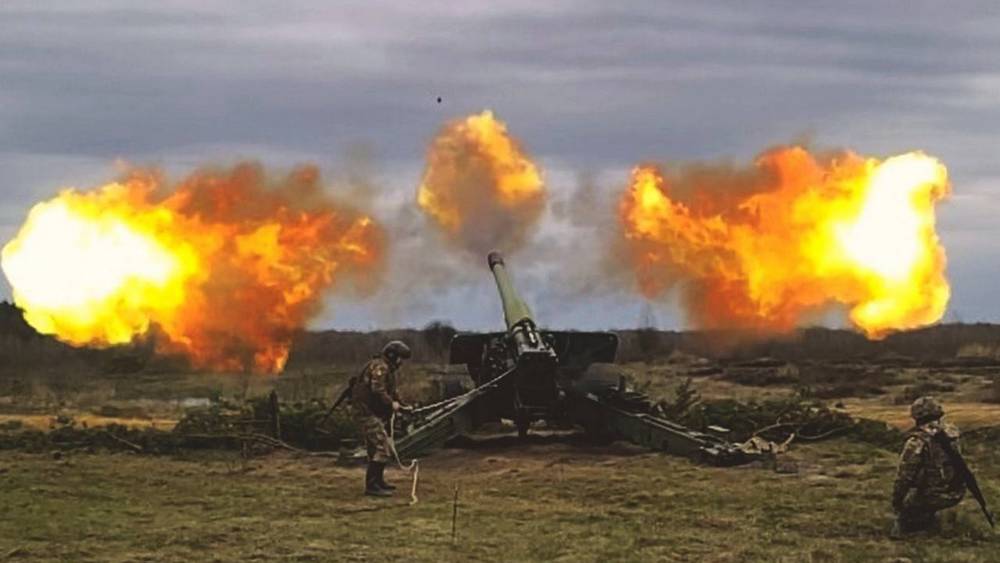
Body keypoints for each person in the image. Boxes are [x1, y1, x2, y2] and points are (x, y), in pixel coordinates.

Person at [891, 396, 966, 537]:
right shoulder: (953, 433)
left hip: (932, 495)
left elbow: (904, 477)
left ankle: (921, 525)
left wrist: (897, 503)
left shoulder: (916, 441)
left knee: (907, 513)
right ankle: (943, 515)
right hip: (957, 492)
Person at [350, 340, 412, 497]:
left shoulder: (385, 368)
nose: (401, 363)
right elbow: (378, 390)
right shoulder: (380, 367)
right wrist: (392, 404)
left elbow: (391, 391)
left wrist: (403, 405)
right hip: (366, 413)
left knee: (374, 449)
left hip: (370, 412)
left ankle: (378, 482)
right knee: (382, 448)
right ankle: (372, 486)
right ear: (393, 356)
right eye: (400, 359)